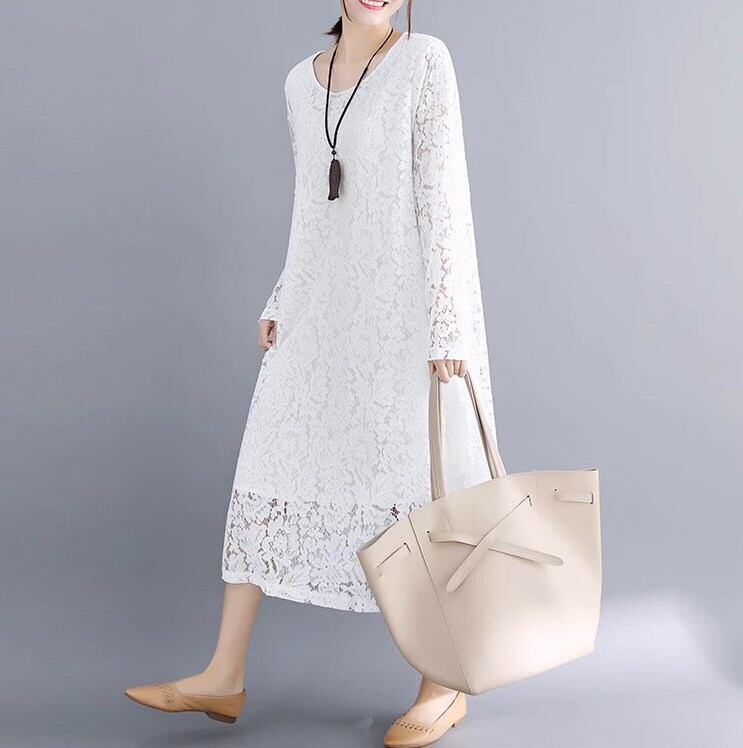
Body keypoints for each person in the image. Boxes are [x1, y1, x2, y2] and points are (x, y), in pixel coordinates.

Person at [125, 1, 499, 745]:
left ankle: (444, 685)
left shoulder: (424, 62)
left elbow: (443, 195)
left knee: (424, 490)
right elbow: (312, 206)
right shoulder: (301, 82)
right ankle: (223, 676)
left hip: (406, 313)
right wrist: (282, 296)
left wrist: (448, 321)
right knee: (267, 469)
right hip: (324, 308)